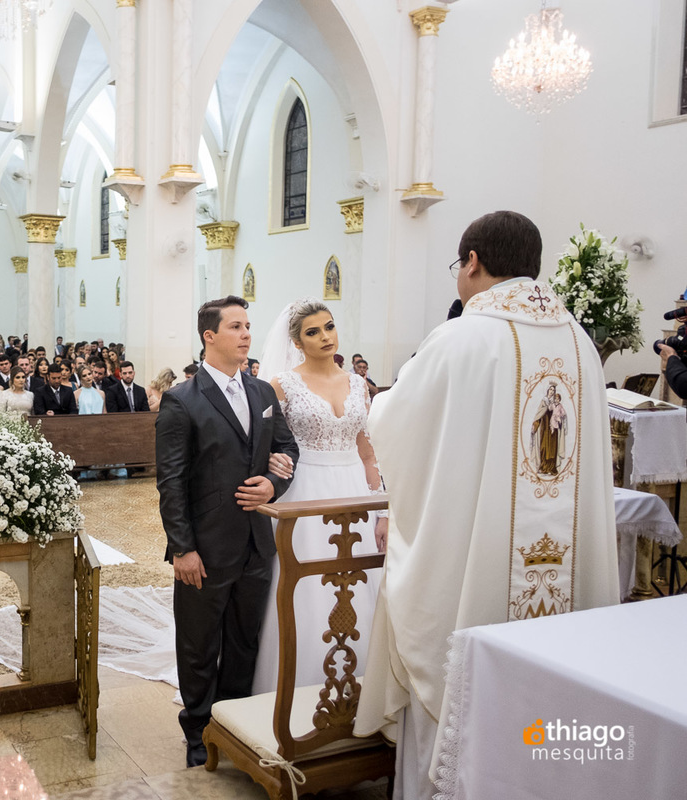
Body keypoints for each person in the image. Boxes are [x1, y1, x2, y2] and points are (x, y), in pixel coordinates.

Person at [352, 211, 618, 800]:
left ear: (472, 262)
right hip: (564, 563)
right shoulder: (580, 341)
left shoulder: (463, 337)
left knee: (460, 673)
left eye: (457, 266)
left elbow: (393, 424)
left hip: (481, 563)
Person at [155, 295, 298, 767]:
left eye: (249, 325)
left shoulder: (262, 393)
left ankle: (232, 726)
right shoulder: (182, 400)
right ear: (209, 336)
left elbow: (286, 448)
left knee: (244, 640)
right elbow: (171, 481)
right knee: (199, 646)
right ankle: (197, 732)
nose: (246, 334)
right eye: (235, 326)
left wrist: (274, 482)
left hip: (257, 543)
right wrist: (183, 549)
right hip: (206, 546)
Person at [251, 299, 386, 694]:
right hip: (306, 490)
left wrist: (381, 510)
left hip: (356, 493)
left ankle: (360, 683)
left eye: (329, 327)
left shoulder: (359, 384)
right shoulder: (282, 384)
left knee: (359, 582)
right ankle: (300, 680)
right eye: (313, 331)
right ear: (297, 341)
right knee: (309, 586)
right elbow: (266, 443)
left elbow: (367, 450)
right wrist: (273, 462)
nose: (325, 336)